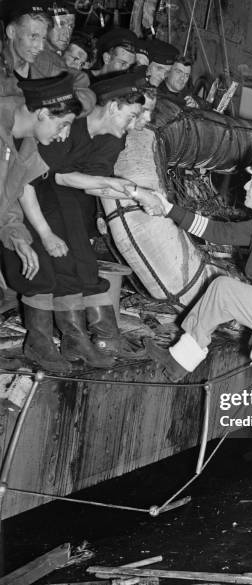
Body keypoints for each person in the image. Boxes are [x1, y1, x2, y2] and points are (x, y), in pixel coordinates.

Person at [131, 151, 252, 536]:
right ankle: (182, 359)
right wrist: (165, 207)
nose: (245, 186)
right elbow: (215, 230)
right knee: (221, 289)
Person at [2, 71, 146, 372]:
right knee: (45, 266)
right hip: (40, 198)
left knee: (77, 261)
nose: (64, 134)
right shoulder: (33, 134)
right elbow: (31, 183)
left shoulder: (35, 139)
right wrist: (38, 232)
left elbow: (16, 188)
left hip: (39, 200)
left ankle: (74, 337)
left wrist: (134, 192)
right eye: (63, 125)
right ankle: (47, 341)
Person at [0, 73, 81, 369]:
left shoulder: (27, 146)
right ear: (43, 113)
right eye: (63, 125)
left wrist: (17, 237)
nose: (62, 136)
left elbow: (8, 198)